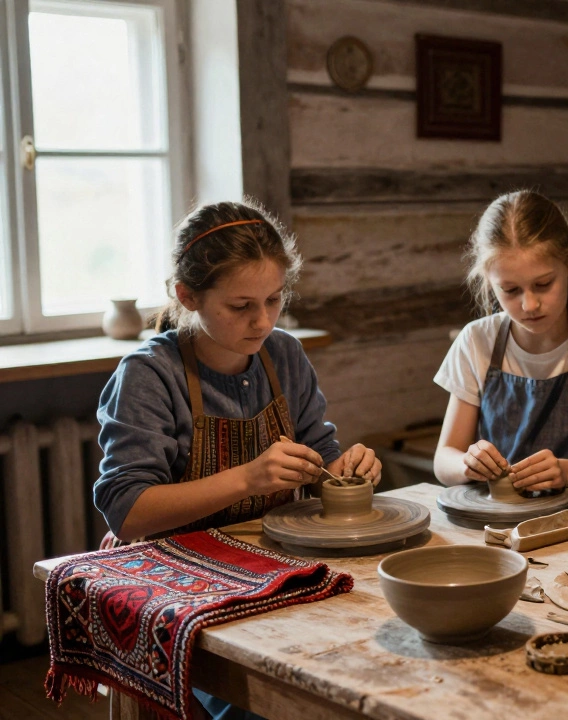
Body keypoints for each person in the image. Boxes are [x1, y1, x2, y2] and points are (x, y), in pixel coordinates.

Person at [93, 200, 381, 720]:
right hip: (172, 574)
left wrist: (343, 473)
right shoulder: (149, 375)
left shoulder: (285, 355)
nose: (263, 320)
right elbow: (128, 509)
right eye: (241, 305)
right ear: (187, 296)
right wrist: (248, 478)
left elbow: (320, 453)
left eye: (274, 299)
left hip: (264, 559)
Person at [433, 190, 568, 513]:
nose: (529, 304)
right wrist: (467, 463)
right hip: (501, 522)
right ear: (489, 282)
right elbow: (443, 460)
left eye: (543, 284)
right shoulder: (477, 341)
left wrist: (566, 472)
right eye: (510, 290)